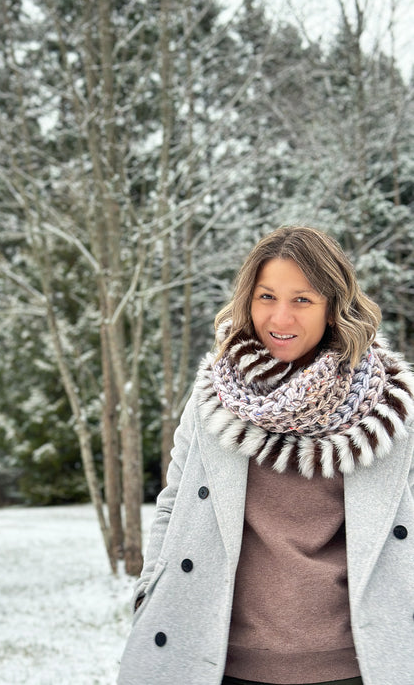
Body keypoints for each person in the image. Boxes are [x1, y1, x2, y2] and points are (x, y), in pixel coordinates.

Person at [117, 226, 414, 685]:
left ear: (334, 307)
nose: (281, 317)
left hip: (356, 663)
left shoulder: (388, 407)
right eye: (266, 296)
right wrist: (149, 593)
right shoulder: (216, 395)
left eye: (302, 300)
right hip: (218, 660)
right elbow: (174, 501)